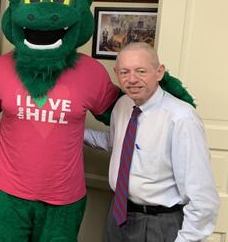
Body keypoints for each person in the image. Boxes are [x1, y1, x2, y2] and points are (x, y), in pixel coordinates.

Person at [84, 42, 219, 241]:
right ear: (116, 73)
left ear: (159, 72)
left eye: (141, 71)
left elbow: (202, 196)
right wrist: (71, 132)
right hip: (118, 215)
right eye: (124, 72)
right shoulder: (123, 105)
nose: (132, 79)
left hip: (158, 223)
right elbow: (117, 143)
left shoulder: (181, 118)